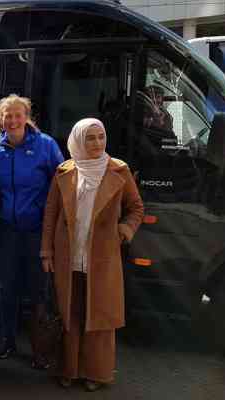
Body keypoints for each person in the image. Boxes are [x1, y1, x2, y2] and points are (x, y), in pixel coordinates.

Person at [41, 118, 144, 392]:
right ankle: (68, 370)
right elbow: (51, 214)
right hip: (68, 255)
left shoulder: (119, 170)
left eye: (100, 137)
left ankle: (96, 373)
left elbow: (136, 208)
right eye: (90, 138)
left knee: (99, 316)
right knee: (70, 313)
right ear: (78, 140)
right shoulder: (64, 170)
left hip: (102, 257)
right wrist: (46, 251)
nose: (97, 143)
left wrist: (124, 230)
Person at [0, 94, 64, 369]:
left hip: (37, 231)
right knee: (6, 288)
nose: (13, 120)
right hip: (7, 230)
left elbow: (61, 183)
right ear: (1, 120)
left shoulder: (45, 145)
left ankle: (39, 349)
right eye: (7, 115)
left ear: (27, 117)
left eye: (18, 114)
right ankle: (8, 341)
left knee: (38, 290)